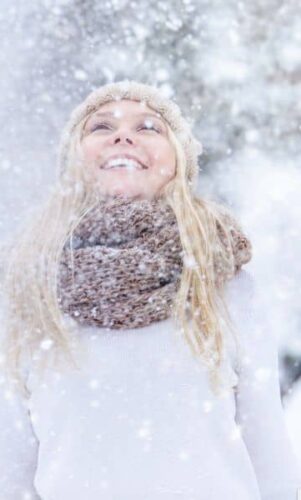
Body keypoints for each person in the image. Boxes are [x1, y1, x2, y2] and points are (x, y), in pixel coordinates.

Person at [0, 79, 300, 500]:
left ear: (179, 163)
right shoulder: (30, 290)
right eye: (101, 127)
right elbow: (11, 468)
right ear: (72, 162)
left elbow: (268, 450)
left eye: (149, 127)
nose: (123, 134)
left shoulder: (224, 283)